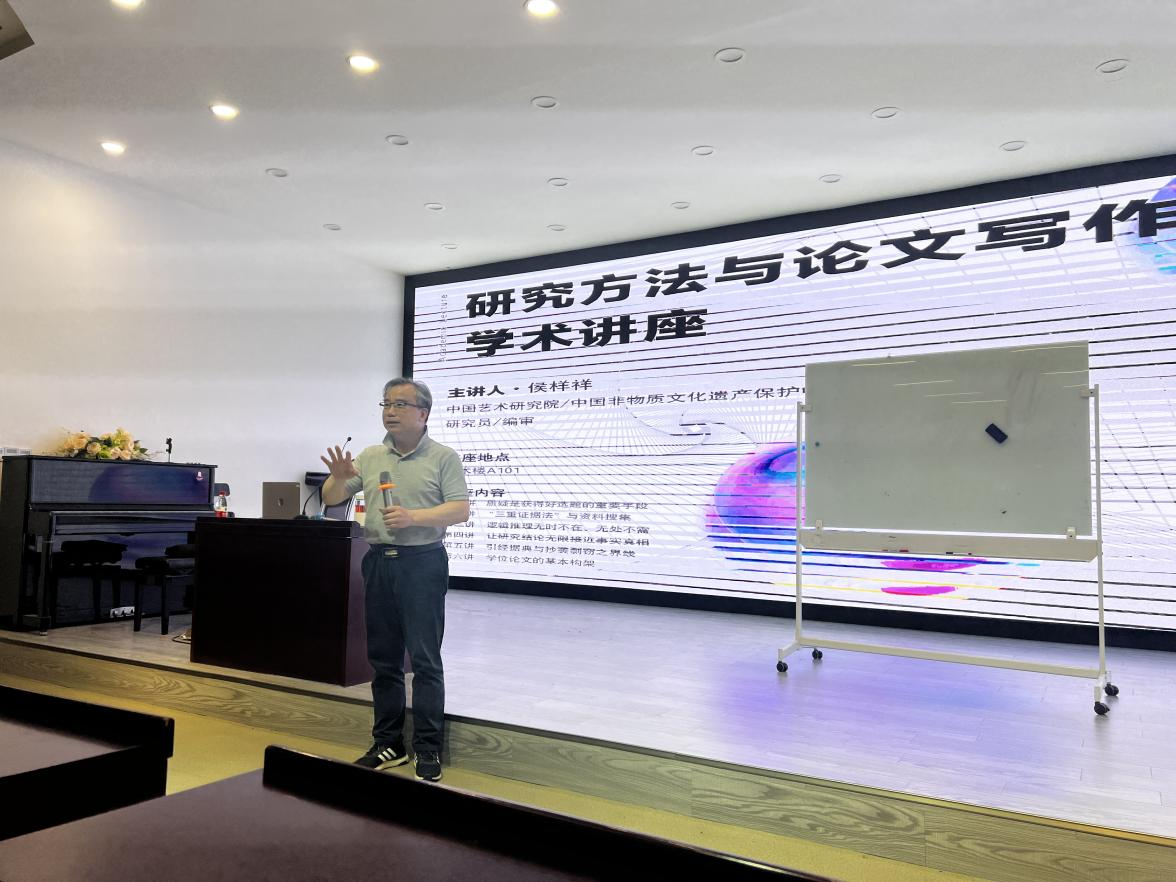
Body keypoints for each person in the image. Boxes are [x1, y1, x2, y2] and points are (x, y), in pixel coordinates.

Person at [321, 377, 469, 782]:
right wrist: (337, 477)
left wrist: (413, 517)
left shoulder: (443, 457)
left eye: (400, 404)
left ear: (423, 413)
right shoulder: (370, 456)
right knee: (383, 659)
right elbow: (333, 498)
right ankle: (388, 743)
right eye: (386, 404)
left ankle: (427, 746)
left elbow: (460, 510)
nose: (390, 411)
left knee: (424, 659)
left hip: (422, 562)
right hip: (378, 563)